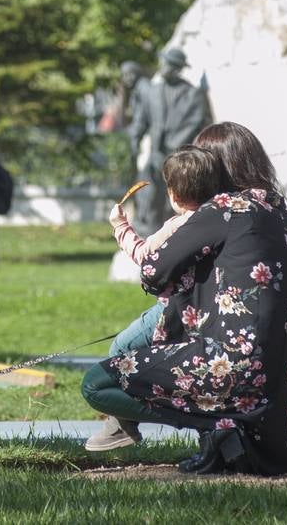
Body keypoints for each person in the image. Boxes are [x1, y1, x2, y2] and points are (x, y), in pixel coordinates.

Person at [82, 121, 287, 476]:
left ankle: (216, 427)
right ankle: (222, 433)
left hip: (229, 368)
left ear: (216, 167)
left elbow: (153, 271)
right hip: (283, 387)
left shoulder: (223, 209)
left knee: (96, 383)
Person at [85, 144, 229, 451]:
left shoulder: (178, 225)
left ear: (173, 194)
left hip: (173, 311)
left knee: (121, 350)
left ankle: (121, 424)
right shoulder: (222, 219)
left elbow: (145, 257)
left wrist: (120, 226)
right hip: (205, 314)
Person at [127, 47, 210, 238]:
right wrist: (135, 138)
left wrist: (176, 146)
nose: (162, 67)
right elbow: (142, 120)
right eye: (162, 63)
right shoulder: (152, 92)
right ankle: (148, 235)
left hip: (180, 156)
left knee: (179, 197)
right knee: (147, 193)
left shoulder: (193, 94)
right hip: (156, 154)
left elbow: (196, 123)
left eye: (167, 64)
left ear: (177, 68)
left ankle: (176, 236)